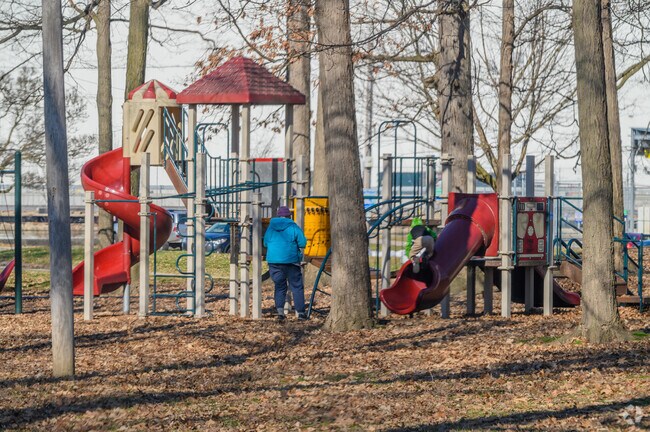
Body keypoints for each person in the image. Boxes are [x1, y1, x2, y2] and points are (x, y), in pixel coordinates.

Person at [264, 205, 308, 321]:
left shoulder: (271, 227)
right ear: (289, 216)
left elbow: (265, 243)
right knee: (296, 286)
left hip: (274, 261)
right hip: (291, 261)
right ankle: (301, 313)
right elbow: (302, 243)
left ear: (278, 215)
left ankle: (280, 313)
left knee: (280, 286)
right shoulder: (293, 227)